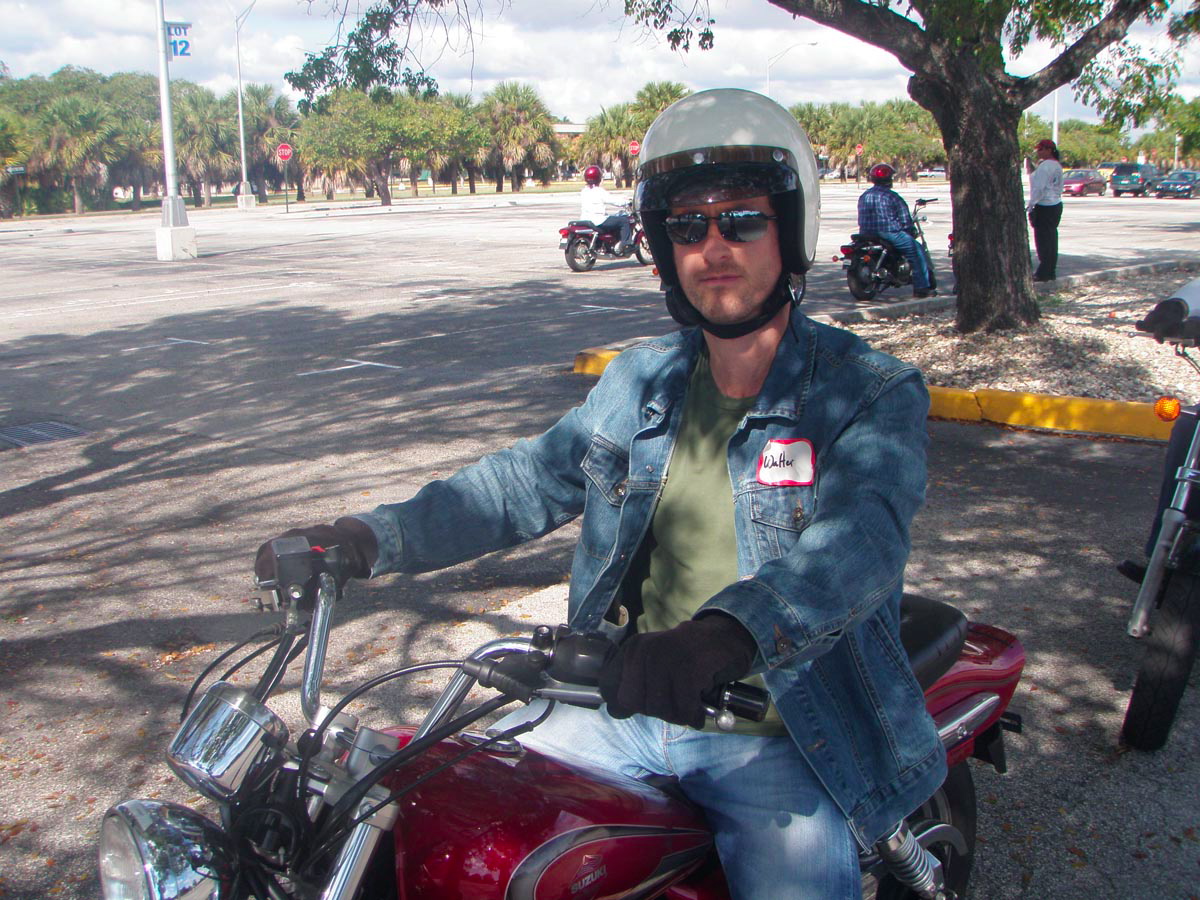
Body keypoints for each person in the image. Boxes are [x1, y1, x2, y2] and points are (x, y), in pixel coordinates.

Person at [256, 88, 945, 899]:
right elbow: (524, 482)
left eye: (741, 220)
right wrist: (369, 538)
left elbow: (859, 545)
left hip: (776, 732)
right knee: (442, 824)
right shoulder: (641, 379)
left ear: (789, 229)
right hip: (617, 706)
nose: (713, 246)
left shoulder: (868, 391)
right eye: (687, 226)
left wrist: (725, 635)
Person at [857, 162, 935, 299]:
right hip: (889, 233)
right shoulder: (892, 196)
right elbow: (905, 220)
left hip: (866, 233)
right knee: (916, 251)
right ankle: (922, 288)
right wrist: (909, 229)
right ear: (889, 179)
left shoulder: (864, 196)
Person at [1027, 138, 1064, 282]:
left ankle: (1044, 272)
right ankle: (1049, 270)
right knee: (1051, 239)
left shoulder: (1046, 166)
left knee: (1043, 241)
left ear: (1049, 150)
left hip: (1045, 205)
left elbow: (1039, 188)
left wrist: (1031, 204)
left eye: (1041, 149)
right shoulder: (1056, 165)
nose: (1038, 152)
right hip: (1055, 204)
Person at [579, 163, 632, 252]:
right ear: (598, 178)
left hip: (585, 219)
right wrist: (627, 202)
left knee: (613, 218)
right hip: (598, 220)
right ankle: (626, 245)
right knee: (624, 221)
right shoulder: (599, 191)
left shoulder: (584, 191)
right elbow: (613, 201)